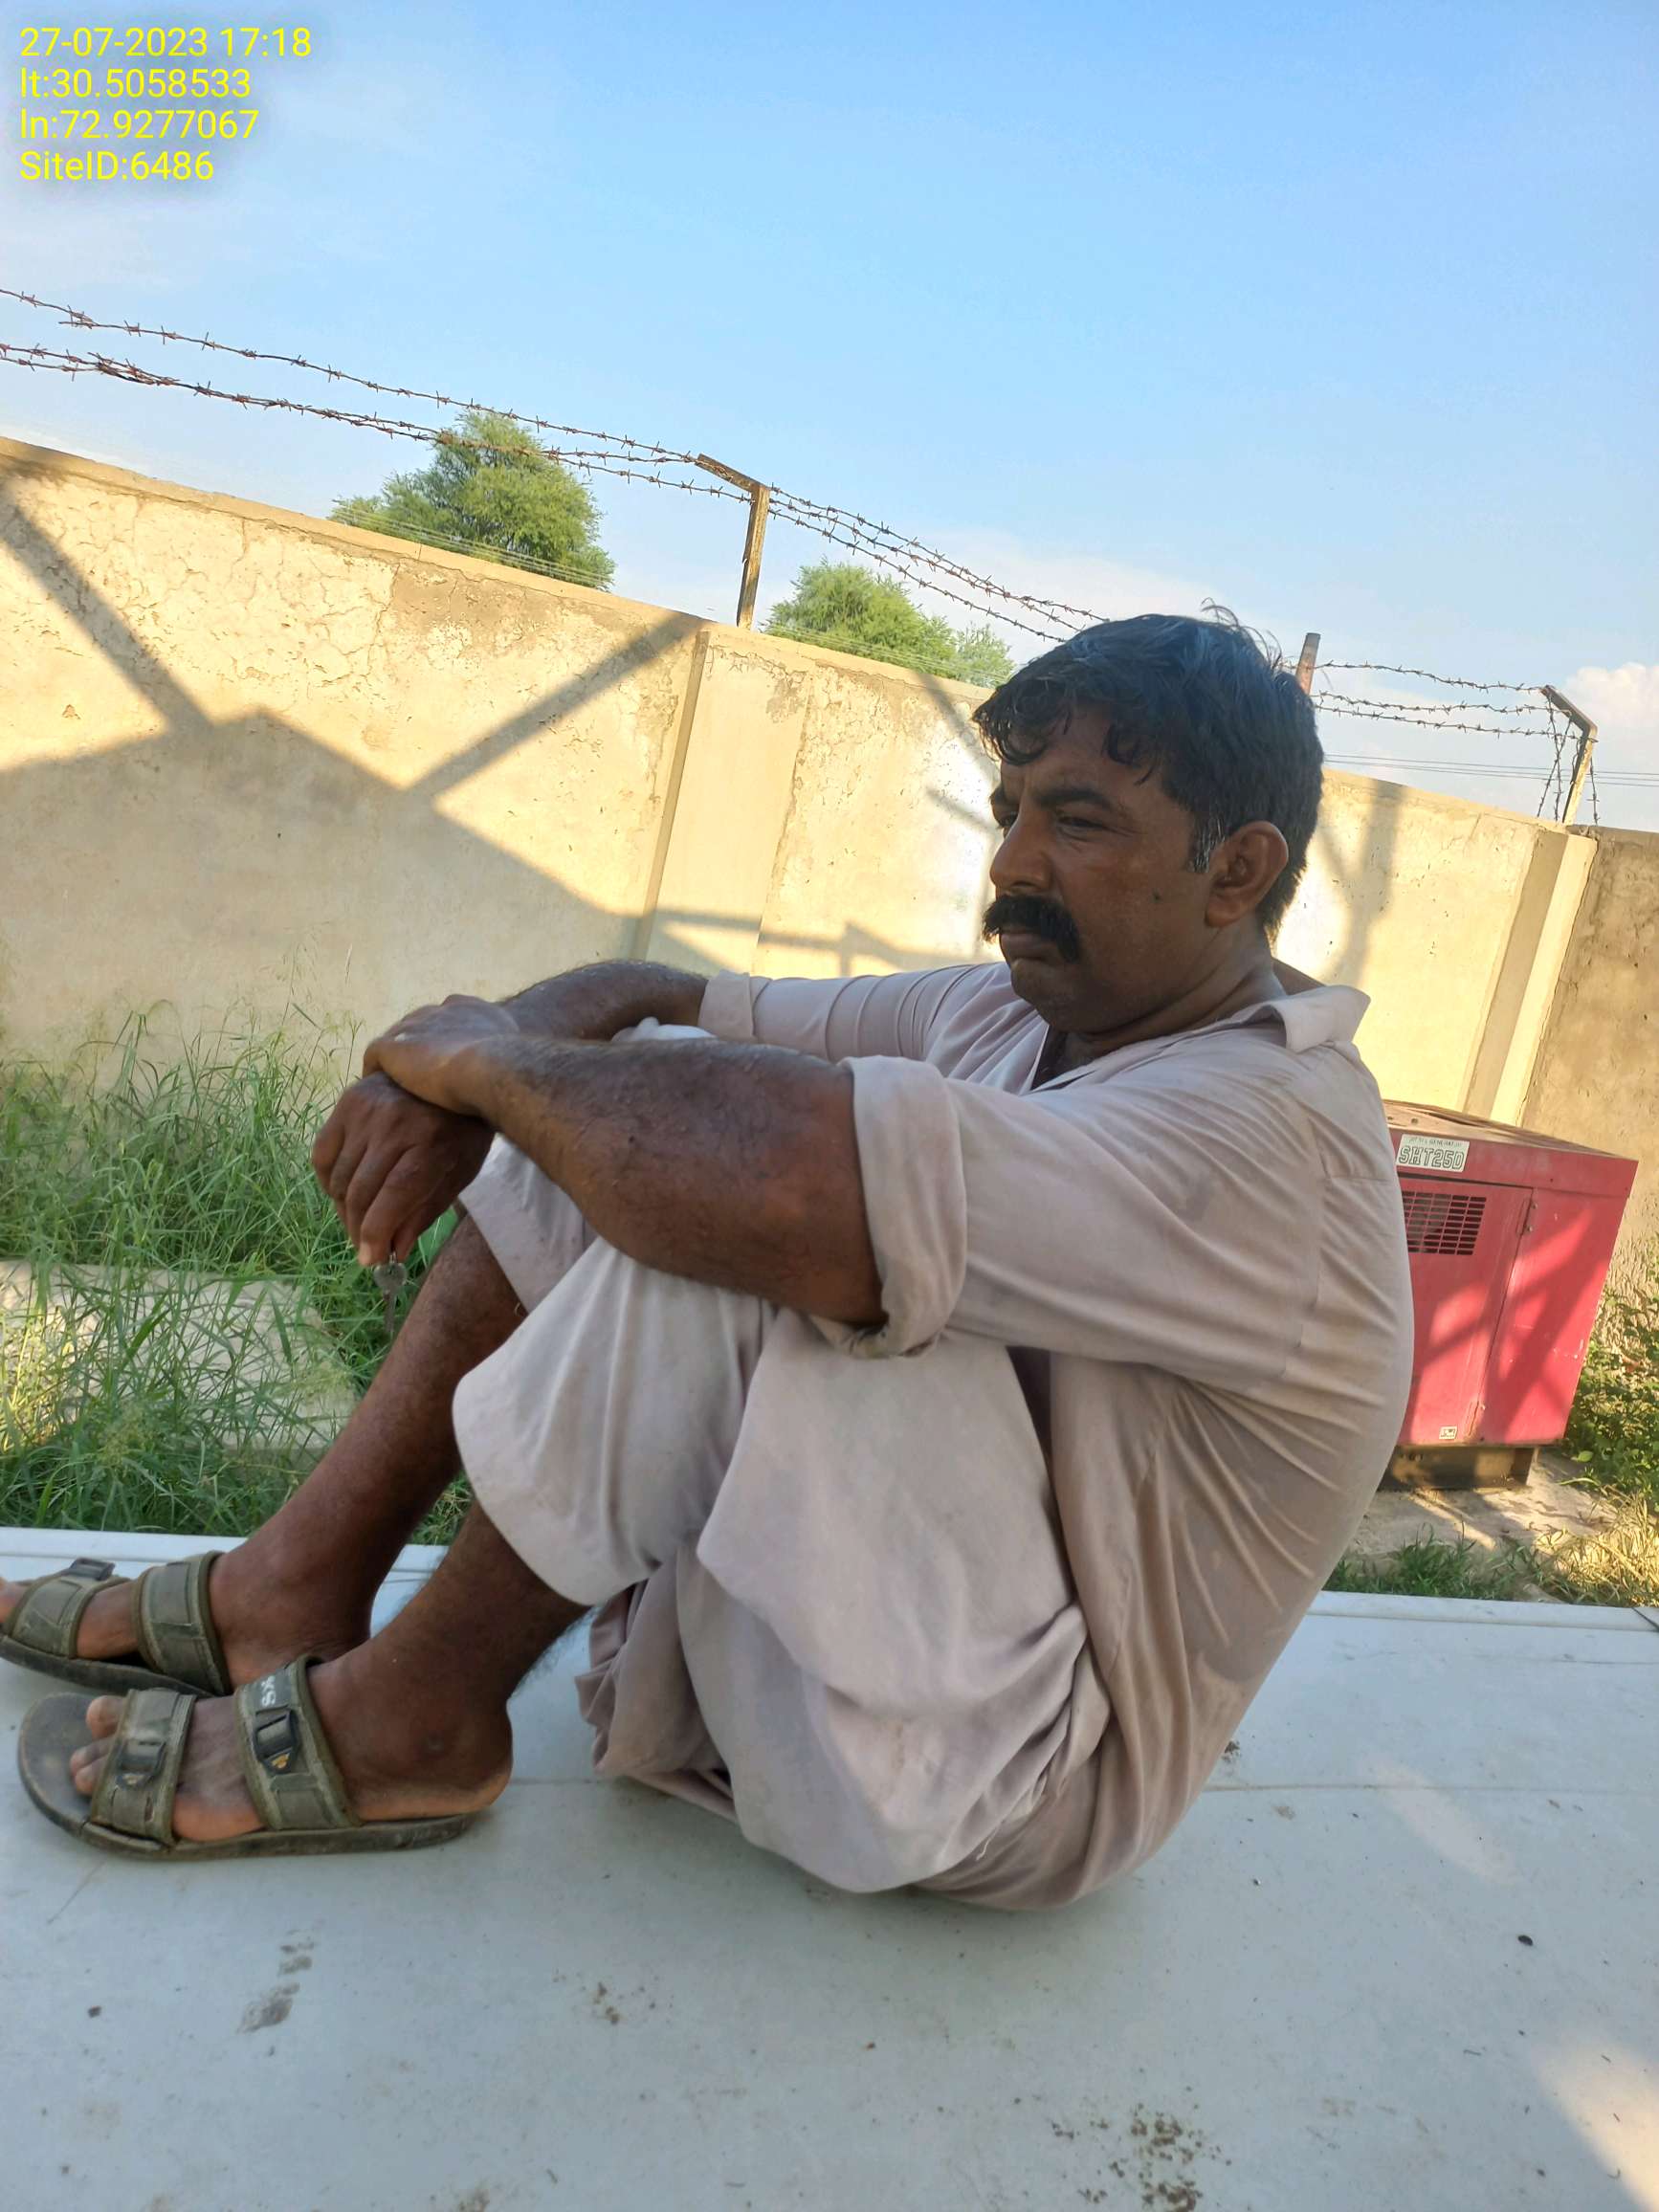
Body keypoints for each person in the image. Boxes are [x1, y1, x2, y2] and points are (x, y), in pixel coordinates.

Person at [8, 611, 1413, 1907]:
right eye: (1010, 814)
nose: (1011, 867)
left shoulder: (1265, 1135)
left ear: (1237, 869)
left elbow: (773, 1177)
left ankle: (414, 1719)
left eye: (1079, 820)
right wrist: (490, 1053)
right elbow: (660, 997)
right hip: (834, 1661)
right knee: (632, 1097)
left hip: (1014, 1780)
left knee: (730, 1194)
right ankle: (292, 1588)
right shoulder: (1012, 1014)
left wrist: (479, 1069)